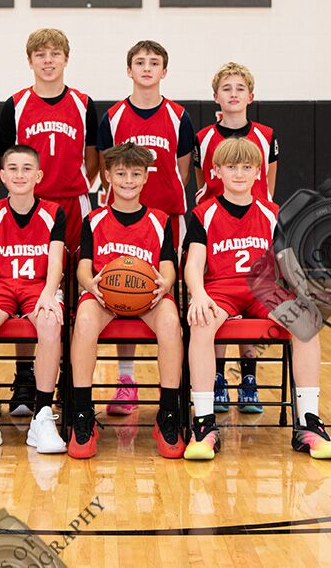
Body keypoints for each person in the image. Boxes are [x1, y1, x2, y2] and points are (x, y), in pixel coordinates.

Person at [183, 138, 331, 461]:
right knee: (200, 322)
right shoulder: (203, 214)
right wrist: (198, 293)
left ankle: (309, 423)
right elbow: (194, 263)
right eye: (231, 167)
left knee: (307, 322)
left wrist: (303, 291)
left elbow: (286, 260)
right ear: (216, 171)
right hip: (221, 288)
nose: (239, 174)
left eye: (247, 167)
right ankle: (204, 423)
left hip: (264, 289)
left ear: (258, 172)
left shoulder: (272, 213)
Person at [0, 28, 99, 416]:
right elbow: (7, 161)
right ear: (30, 61)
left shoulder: (83, 104)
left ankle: (70, 378)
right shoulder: (15, 105)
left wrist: (73, 184)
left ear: (66, 59)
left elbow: (93, 159)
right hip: (28, 208)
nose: (48, 60)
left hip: (73, 205)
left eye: (55, 53)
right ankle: (25, 376)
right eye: (40, 54)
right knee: (26, 284)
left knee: (74, 291)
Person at [95, 40, 194, 415]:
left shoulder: (179, 117)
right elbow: (104, 167)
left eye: (154, 63)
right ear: (129, 70)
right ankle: (126, 380)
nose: (147, 68)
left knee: (168, 296)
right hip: (122, 218)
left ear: (164, 71)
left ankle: (177, 385)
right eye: (140, 62)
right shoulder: (113, 117)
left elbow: (182, 172)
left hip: (167, 216)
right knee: (123, 287)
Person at [69, 142, 184, 460]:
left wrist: (164, 284)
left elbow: (168, 267)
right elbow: (83, 266)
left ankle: (168, 414)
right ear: (107, 176)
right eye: (121, 174)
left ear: (146, 177)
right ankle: (82, 414)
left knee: (171, 320)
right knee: (84, 319)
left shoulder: (160, 220)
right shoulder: (94, 219)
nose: (128, 181)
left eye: (135, 174)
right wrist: (90, 283)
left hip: (147, 297)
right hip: (104, 295)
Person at [0, 145, 68, 454]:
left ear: (38, 176)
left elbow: (56, 260)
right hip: (1, 285)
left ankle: (43, 415)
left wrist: (49, 292)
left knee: (50, 322)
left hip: (38, 285)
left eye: (27, 169)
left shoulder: (53, 212)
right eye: (13, 169)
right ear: (3, 176)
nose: (20, 175)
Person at [194, 62, 280, 415]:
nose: (233, 94)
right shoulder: (203, 138)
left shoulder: (266, 135)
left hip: (254, 228)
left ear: (251, 96)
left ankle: (248, 379)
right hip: (218, 230)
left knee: (255, 297)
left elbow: (269, 186)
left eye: (239, 88)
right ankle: (216, 379)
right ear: (216, 97)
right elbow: (202, 184)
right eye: (226, 88)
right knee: (217, 302)